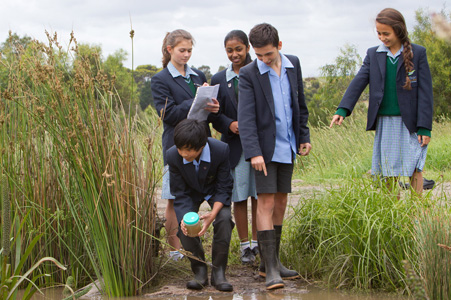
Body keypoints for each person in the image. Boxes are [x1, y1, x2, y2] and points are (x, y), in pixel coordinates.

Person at [238, 23, 312, 290]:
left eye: (268, 54)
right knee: (265, 203)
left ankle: (273, 262)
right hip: (264, 151)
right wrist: (254, 152)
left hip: (288, 147)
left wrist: (304, 137)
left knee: (281, 203)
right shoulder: (249, 74)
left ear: (279, 46)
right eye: (258, 55)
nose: (263, 60)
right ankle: (270, 270)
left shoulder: (293, 64)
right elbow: (245, 118)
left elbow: (299, 103)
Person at [330, 8, 433, 197]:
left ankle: (418, 215)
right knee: (388, 170)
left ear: (399, 30)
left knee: (415, 169)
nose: (382, 37)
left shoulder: (417, 53)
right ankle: (391, 216)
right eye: (378, 33)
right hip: (386, 121)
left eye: (386, 33)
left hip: (411, 123)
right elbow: (359, 81)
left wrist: (425, 127)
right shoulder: (373, 54)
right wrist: (343, 109)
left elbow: (426, 92)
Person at [151, 29, 220, 261]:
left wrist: (212, 106)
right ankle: (175, 250)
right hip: (176, 145)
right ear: (170, 50)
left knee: (195, 194)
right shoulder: (160, 79)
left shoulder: (197, 74)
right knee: (173, 197)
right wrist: (196, 98)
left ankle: (192, 241)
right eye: (182, 50)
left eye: (190, 50)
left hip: (202, 142)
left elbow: (202, 112)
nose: (186, 55)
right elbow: (167, 114)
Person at [166, 119, 234, 292]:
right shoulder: (173, 155)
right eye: (180, 148)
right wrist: (184, 219)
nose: (183, 153)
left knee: (224, 218)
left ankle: (219, 273)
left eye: (188, 149)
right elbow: (180, 193)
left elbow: (224, 187)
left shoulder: (221, 150)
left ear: (202, 146)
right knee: (184, 227)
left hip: (214, 191)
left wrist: (212, 215)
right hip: (190, 193)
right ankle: (200, 271)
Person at [210, 30, 258, 265]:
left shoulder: (259, 71)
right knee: (239, 197)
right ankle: (244, 246)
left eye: (238, 49)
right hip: (234, 146)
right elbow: (214, 115)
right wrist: (230, 124)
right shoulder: (219, 78)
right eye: (229, 50)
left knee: (260, 195)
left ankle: (259, 244)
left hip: (259, 146)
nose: (234, 54)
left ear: (247, 47)